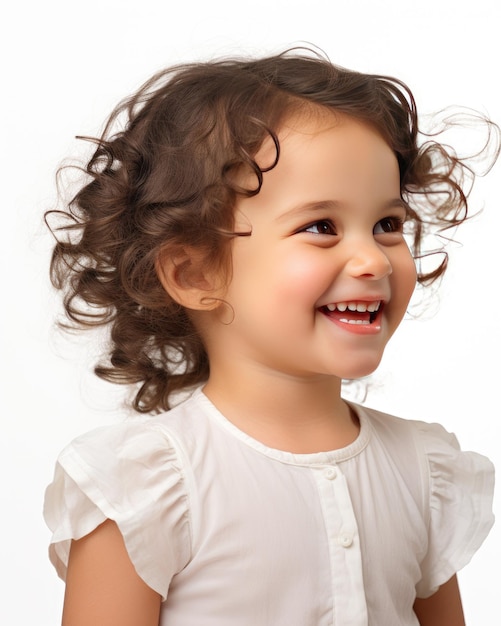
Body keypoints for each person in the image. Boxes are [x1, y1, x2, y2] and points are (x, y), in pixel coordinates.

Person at [43, 49, 497, 626]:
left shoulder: (422, 469)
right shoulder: (149, 485)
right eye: (321, 227)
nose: (372, 260)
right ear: (195, 273)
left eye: (386, 224)